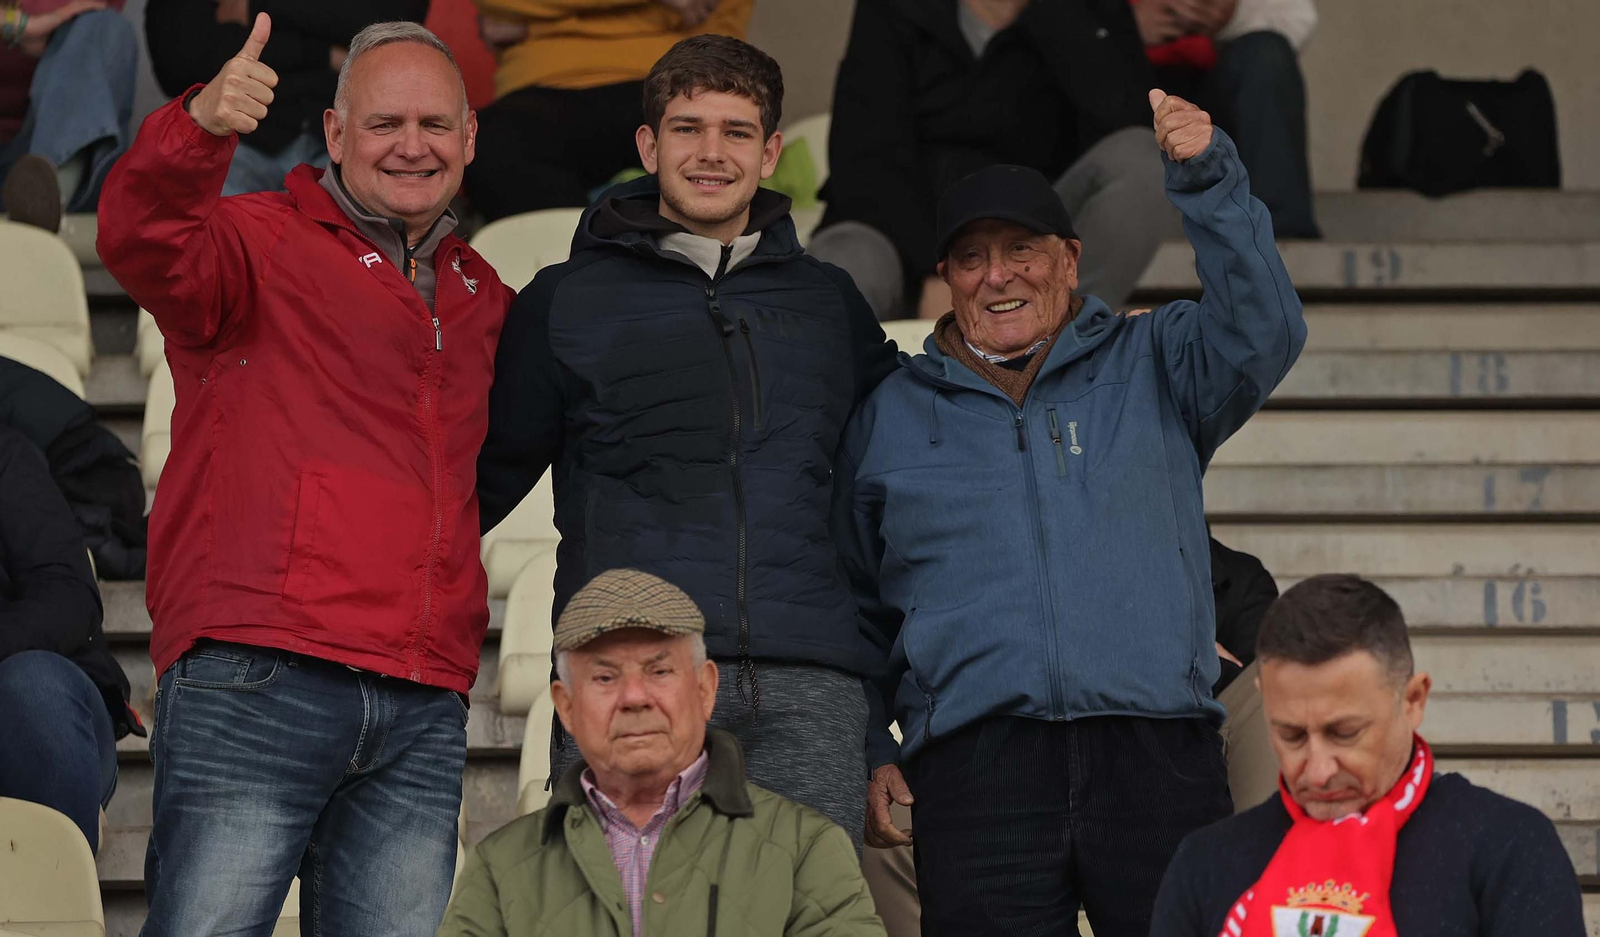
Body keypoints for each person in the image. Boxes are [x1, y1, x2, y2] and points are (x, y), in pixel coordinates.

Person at [835, 91, 1307, 936]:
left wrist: (1207, 176)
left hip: (1156, 747)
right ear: (947, 277)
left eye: (1022, 249)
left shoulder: (1156, 358)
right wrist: (875, 742)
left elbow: (1265, 327)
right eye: (972, 257)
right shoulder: (890, 412)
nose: (998, 273)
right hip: (976, 764)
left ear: (1070, 258)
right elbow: (857, 607)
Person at [96, 17, 513, 936]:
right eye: (383, 123)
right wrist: (198, 128)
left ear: (471, 136)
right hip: (260, 669)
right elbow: (140, 235)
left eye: (436, 124)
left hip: (420, 696)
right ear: (333, 134)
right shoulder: (251, 240)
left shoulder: (485, 295)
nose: (413, 145)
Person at [477, 34, 897, 849]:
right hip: (634, 671)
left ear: (771, 150)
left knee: (806, 917)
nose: (711, 153)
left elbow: (898, 486)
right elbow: (471, 490)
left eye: (737, 132)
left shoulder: (828, 304)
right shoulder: (566, 301)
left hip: (808, 683)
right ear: (648, 144)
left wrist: (877, 725)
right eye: (687, 128)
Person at [857, 534, 1283, 937]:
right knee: (891, 830)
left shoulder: (1237, 577)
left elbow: (1258, 694)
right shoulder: (1001, 572)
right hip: (1015, 746)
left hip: (1185, 745)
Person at [438, 568, 886, 937]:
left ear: (705, 689)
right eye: (604, 677)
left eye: (660, 670)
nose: (634, 697)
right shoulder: (499, 870)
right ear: (567, 707)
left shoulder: (806, 848)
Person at [1152, 574, 1587, 936]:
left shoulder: (1509, 848)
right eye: (1292, 735)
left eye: (1345, 733)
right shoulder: (1205, 865)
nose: (1318, 773)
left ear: (1414, 700)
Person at [808, 0, 1172, 321]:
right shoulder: (893, 9)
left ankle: (1066, 340)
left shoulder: (1091, 11)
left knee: (1140, 157)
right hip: (902, 243)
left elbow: (1125, 119)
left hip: (1032, 241)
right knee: (842, 261)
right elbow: (864, 162)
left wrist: (1053, 12)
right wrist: (943, 269)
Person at [466, 0, 753, 220]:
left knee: (706, 138)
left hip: (676, 76)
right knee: (484, 145)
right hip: (538, 92)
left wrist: (544, 24)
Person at [0, 423, 144, 854]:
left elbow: (70, 594)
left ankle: (60, 885)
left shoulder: (5, 453)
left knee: (31, 684)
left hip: (37, 716)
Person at [144, 0, 428, 196]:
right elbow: (179, 59)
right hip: (235, 142)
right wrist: (326, 53)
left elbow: (396, 30)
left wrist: (258, 5)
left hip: (346, 141)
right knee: (203, 250)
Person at [1131, 0, 1320, 237]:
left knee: (1267, 53)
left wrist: (1231, 16)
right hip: (1121, 88)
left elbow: (1299, 17)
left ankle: (1275, 235)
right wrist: (1123, 21)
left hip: (1212, 87)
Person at [0, 0, 138, 231]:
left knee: (107, 28)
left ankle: (49, 193)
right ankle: (42, 201)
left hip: (42, 149)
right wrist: (20, 26)